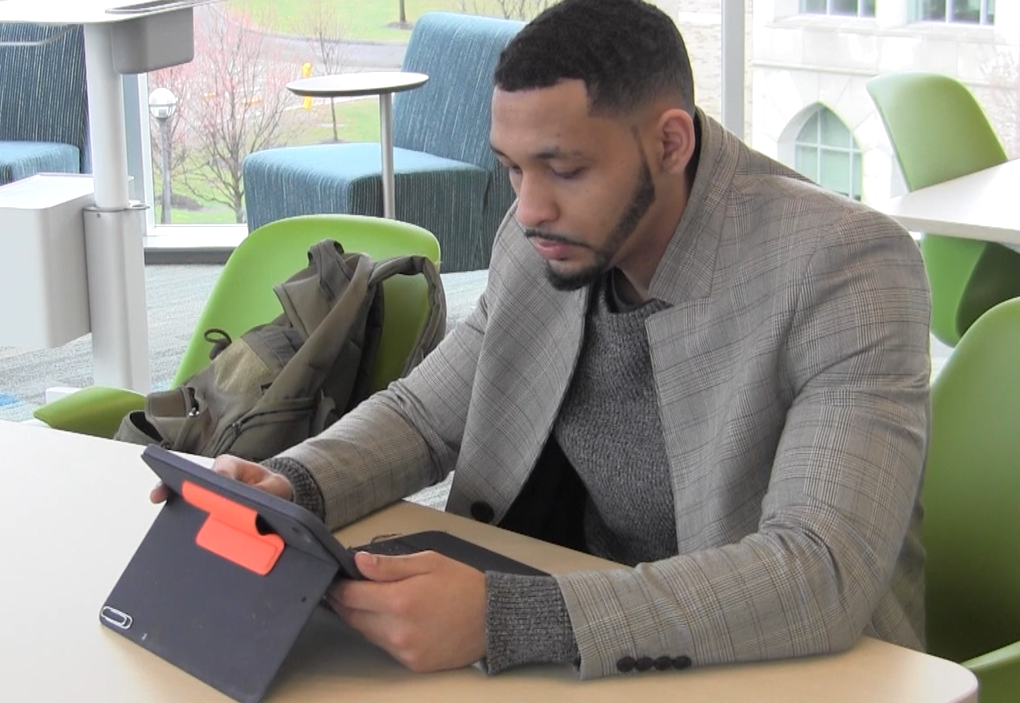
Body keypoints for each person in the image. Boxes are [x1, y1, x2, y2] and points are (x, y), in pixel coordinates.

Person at [153, 0, 932, 680]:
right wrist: (290, 486)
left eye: (563, 168)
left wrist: (511, 616)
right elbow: (427, 414)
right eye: (513, 170)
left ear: (670, 142)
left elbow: (821, 572)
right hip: (595, 645)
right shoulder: (543, 239)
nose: (527, 209)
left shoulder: (845, 265)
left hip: (796, 668)